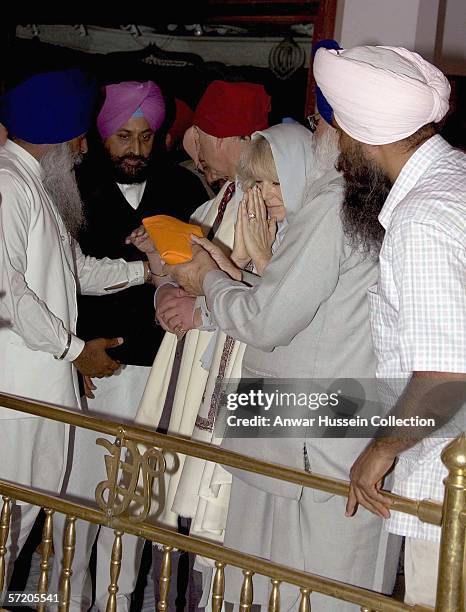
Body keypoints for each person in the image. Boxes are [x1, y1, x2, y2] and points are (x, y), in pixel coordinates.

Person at [163, 112, 400, 610]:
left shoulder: (331, 200)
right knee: (264, 583)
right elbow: (302, 316)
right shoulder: (340, 200)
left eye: (319, 122)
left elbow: (270, 324)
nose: (313, 133)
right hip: (282, 430)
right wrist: (233, 274)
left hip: (313, 435)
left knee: (309, 589)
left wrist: (208, 276)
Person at [313, 44, 466, 607]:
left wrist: (380, 450)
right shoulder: (458, 179)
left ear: (362, 134)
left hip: (455, 485)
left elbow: (447, 376)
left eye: (342, 138)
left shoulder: (423, 216)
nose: (339, 154)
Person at [47, 80, 207, 612]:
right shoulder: (70, 187)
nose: (135, 149)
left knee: (140, 503)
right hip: (95, 370)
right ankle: (63, 601)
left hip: (160, 372)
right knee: (79, 497)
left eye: (144, 137)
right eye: (123, 137)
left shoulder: (185, 192)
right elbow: (56, 280)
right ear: (101, 136)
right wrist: (70, 354)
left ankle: (120, 601)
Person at [0, 69, 153, 588]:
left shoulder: (35, 184)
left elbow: (77, 271)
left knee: (19, 523)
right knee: (7, 526)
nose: (85, 146)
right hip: (16, 395)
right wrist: (74, 351)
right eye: (79, 134)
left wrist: (148, 271)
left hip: (40, 391)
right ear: (60, 134)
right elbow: (9, 297)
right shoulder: (7, 186)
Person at [131, 79, 270, 609]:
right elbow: (183, 274)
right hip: (191, 379)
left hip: (229, 395)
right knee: (181, 531)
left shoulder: (266, 211)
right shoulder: (220, 203)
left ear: (227, 138)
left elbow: (263, 307)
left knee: (218, 545)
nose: (200, 159)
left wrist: (195, 304)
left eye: (204, 142)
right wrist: (164, 281)